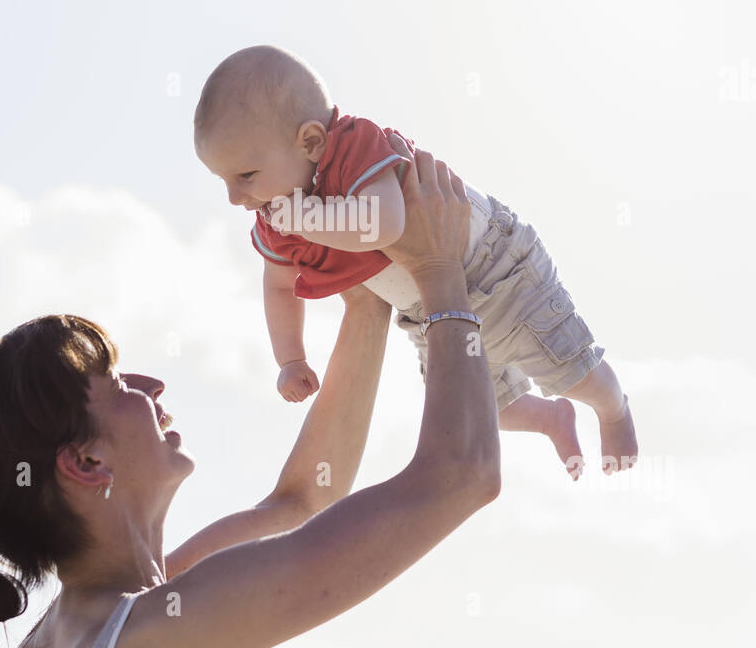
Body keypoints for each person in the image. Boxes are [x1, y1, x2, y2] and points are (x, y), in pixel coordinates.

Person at [0, 144, 500, 648]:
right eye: (116, 382)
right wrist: (439, 273)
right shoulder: (163, 634)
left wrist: (363, 288)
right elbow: (462, 474)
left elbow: (305, 496)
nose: (154, 385)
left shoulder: (84, 636)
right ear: (85, 462)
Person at [194, 45, 638, 480]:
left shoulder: (353, 149)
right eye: (223, 181)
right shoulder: (274, 217)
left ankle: (613, 409)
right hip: (429, 309)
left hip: (493, 270)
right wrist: (290, 358)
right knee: (477, 408)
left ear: (310, 141)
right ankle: (549, 419)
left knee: (572, 370)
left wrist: (310, 220)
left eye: (245, 176)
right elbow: (277, 285)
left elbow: (385, 223)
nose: (235, 197)